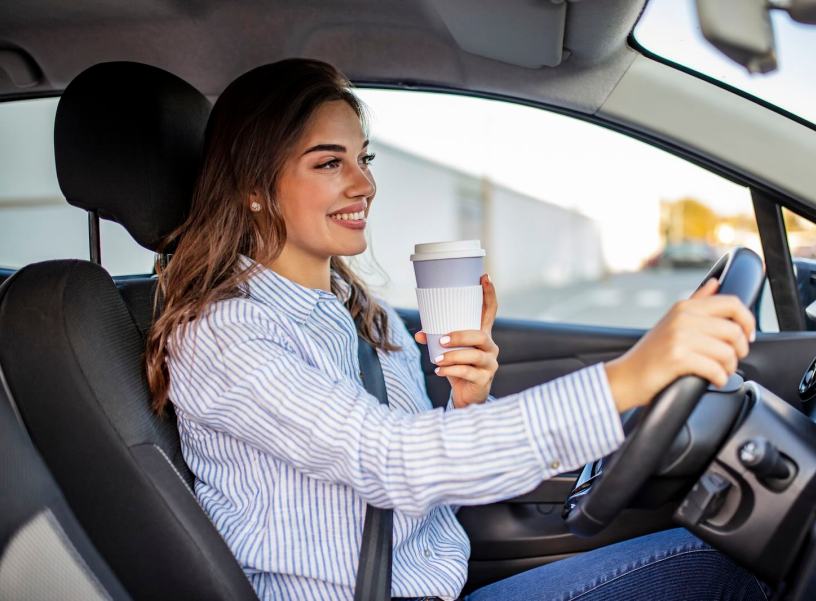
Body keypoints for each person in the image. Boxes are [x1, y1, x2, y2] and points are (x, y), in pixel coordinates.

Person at [145, 59, 766, 601]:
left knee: (736, 552)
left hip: (444, 585)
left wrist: (469, 401)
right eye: (329, 162)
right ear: (255, 190)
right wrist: (631, 377)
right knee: (740, 565)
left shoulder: (364, 313)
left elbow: (416, 475)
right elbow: (392, 460)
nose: (364, 184)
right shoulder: (225, 335)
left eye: (363, 158)